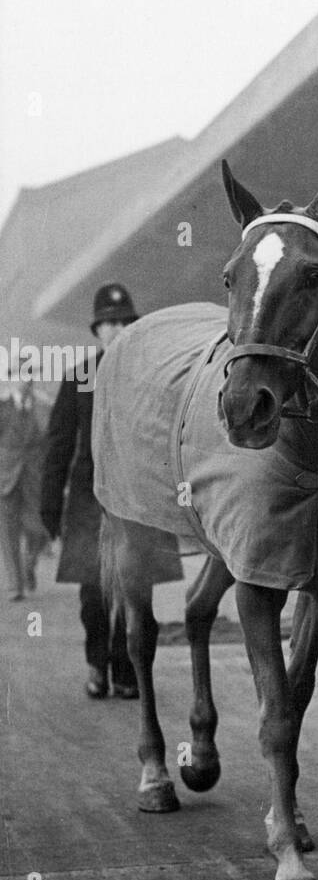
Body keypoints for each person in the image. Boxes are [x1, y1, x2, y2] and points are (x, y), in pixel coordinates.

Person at [41, 283, 182, 698]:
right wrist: (50, 507)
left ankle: (127, 672)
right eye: (109, 323)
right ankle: (96, 665)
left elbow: (169, 438)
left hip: (140, 499)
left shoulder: (153, 375)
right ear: (96, 329)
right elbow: (58, 444)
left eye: (124, 322)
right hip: (90, 500)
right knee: (94, 593)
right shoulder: (80, 376)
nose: (117, 329)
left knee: (139, 590)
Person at [0, 375, 47, 601]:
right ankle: (14, 586)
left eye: (29, 378)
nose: (25, 383)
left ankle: (30, 562)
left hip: (35, 480)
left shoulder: (43, 407)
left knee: (39, 529)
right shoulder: (2, 407)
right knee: (8, 535)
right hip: (5, 480)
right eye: (20, 377)